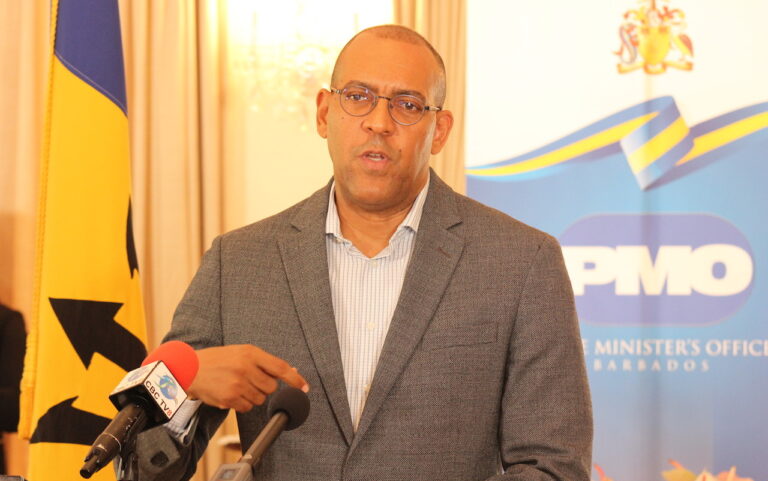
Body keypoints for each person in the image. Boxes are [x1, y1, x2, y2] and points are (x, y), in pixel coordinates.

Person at [138, 25, 592, 481]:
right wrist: (183, 385)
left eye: (407, 105)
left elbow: (554, 467)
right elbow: (142, 466)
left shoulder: (522, 262)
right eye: (358, 97)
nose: (379, 122)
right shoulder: (238, 262)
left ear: (439, 131)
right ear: (324, 113)